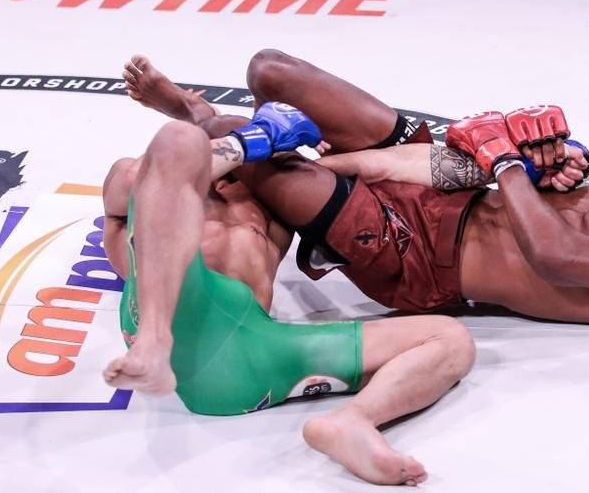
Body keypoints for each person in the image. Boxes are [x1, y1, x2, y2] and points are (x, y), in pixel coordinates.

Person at [121, 49, 589, 328]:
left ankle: (198, 116)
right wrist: (551, 160)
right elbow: (510, 184)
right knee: (272, 72)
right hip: (445, 188)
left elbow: (556, 256)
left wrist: (506, 162)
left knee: (238, 134)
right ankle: (256, 150)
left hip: (420, 259)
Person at [100, 101, 477, 486]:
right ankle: (154, 338)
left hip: (247, 362)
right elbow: (166, 162)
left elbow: (362, 171)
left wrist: (299, 150)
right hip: (180, 318)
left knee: (450, 341)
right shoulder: (150, 186)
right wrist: (251, 138)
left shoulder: (268, 202)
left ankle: (352, 421)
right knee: (179, 139)